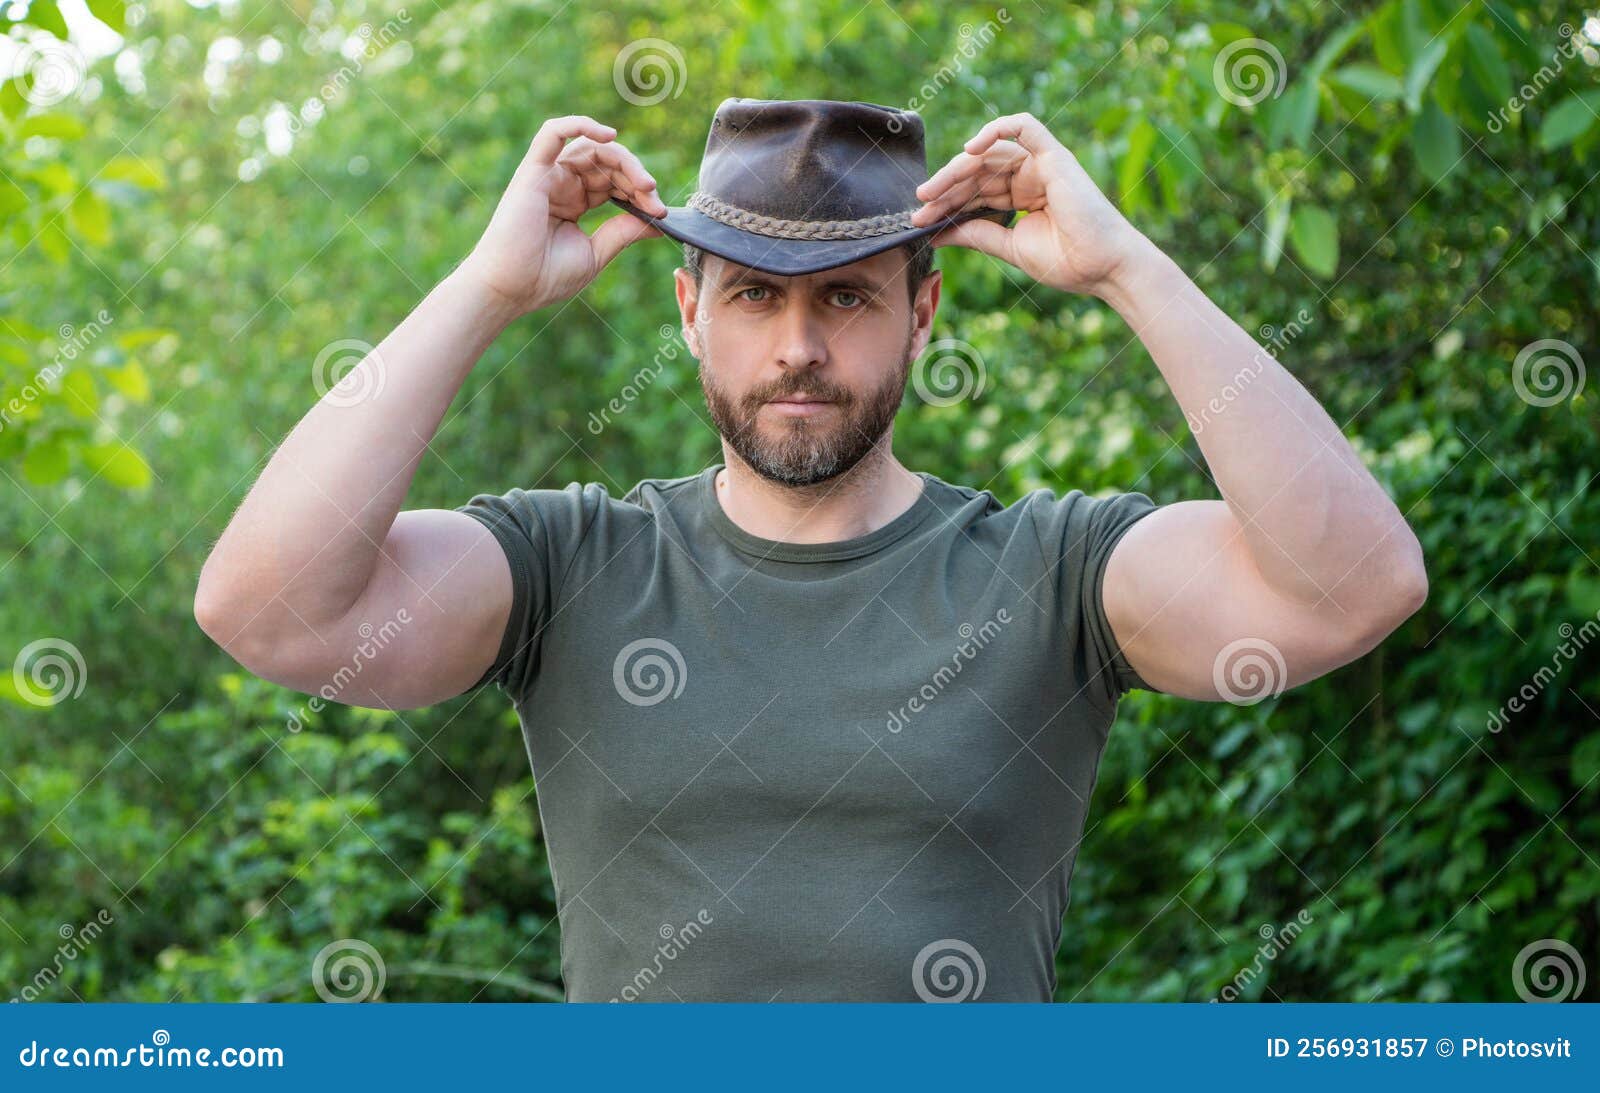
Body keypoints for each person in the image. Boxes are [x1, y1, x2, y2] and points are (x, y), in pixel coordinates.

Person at [194, 98, 1427, 1002]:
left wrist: (1127, 271)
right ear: (688, 312)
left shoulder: (1052, 574)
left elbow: (1352, 589)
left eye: (845, 295)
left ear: (921, 312)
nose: (797, 347)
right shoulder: (570, 564)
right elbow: (269, 611)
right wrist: (486, 288)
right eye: (750, 295)